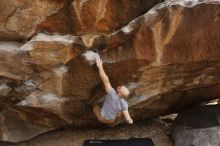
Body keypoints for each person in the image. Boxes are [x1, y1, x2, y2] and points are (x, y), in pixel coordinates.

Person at [93, 57, 133, 126]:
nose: (119, 86)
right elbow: (127, 117)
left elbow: (105, 80)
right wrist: (130, 121)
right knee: (121, 111)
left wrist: (100, 67)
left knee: (95, 107)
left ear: (119, 92)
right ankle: (111, 123)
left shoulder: (112, 93)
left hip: (102, 118)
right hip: (112, 120)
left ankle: (99, 119)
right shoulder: (125, 104)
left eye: (120, 88)